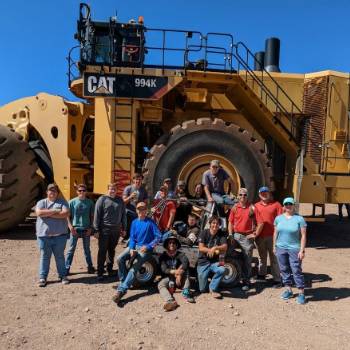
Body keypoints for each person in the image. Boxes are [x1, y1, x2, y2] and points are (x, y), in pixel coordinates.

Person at [113, 202, 161, 304]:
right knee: (119, 258)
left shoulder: (151, 222)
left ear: (146, 211)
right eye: (139, 209)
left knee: (134, 267)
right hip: (135, 247)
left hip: (145, 249)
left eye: (143, 209)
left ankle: (121, 291)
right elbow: (132, 238)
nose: (140, 211)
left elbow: (158, 237)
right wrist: (131, 248)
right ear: (136, 210)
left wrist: (148, 246)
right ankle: (123, 281)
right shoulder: (134, 222)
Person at [35, 183, 70, 287]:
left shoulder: (63, 202)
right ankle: (42, 278)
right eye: (50, 190)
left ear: (57, 193)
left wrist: (47, 214)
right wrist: (55, 211)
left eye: (54, 191)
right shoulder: (41, 202)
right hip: (43, 236)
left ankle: (63, 276)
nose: (52, 192)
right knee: (45, 257)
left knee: (60, 257)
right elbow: (39, 213)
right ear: (47, 192)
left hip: (60, 236)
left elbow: (65, 214)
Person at [274, 197, 307, 305]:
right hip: (280, 247)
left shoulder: (299, 219)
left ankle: (301, 293)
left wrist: (301, 250)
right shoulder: (278, 218)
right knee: (284, 269)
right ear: (283, 206)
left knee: (296, 270)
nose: (288, 205)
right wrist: (274, 246)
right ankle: (289, 290)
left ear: (293, 205)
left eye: (290, 204)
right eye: (286, 204)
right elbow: (276, 233)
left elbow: (303, 236)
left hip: (294, 248)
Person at [228, 187, 261, 291]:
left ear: (247, 196)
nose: (242, 196)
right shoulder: (235, 207)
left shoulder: (252, 208)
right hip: (236, 235)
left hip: (247, 236)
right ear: (238, 196)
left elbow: (260, 222)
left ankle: (246, 281)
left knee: (247, 259)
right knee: (226, 251)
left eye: (245, 195)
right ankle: (230, 274)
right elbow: (230, 222)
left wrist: (255, 234)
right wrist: (230, 234)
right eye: (241, 194)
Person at [93, 183, 127, 281]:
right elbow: (97, 215)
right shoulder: (102, 199)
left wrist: (124, 229)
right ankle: (100, 272)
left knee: (111, 250)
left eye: (114, 189)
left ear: (117, 190)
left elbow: (123, 215)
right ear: (107, 190)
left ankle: (109, 269)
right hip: (104, 230)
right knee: (102, 251)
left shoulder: (120, 200)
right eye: (111, 189)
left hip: (115, 230)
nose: (112, 191)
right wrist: (96, 230)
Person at [254, 186, 283, 287]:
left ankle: (277, 279)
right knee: (262, 257)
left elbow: (281, 220)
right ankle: (262, 274)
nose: (264, 194)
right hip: (260, 236)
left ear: (269, 194)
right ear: (259, 195)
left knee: (274, 257)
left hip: (272, 236)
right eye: (262, 193)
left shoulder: (276, 205)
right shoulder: (256, 206)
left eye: (266, 192)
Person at [158, 234, 195, 311]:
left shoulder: (180, 254)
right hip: (169, 278)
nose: (172, 244)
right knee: (160, 284)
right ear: (167, 245)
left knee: (187, 272)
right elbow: (164, 269)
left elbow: (186, 263)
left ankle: (186, 292)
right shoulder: (163, 256)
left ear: (177, 245)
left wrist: (179, 274)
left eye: (174, 243)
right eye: (170, 243)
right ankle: (170, 301)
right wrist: (176, 272)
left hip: (179, 279)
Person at [65, 183, 95, 274]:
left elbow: (92, 217)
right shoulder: (71, 202)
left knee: (87, 250)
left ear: (86, 192)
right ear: (77, 191)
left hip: (86, 229)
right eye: (80, 190)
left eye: (83, 190)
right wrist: (70, 227)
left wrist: (90, 228)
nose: (81, 192)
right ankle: (66, 268)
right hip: (75, 229)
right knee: (71, 250)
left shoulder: (90, 202)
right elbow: (67, 216)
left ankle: (90, 267)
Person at [197, 216, 227, 298]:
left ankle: (212, 288)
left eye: (217, 223)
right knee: (202, 289)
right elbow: (201, 248)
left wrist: (215, 248)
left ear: (219, 225)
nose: (215, 225)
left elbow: (225, 247)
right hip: (203, 262)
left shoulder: (222, 234)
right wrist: (210, 250)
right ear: (210, 224)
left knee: (222, 269)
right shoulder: (204, 233)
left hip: (215, 262)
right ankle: (204, 280)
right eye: (213, 223)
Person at [122, 173, 148, 239]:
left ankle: (134, 241)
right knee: (128, 229)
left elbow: (145, 202)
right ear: (133, 180)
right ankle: (127, 240)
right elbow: (123, 202)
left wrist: (144, 208)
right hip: (128, 213)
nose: (138, 181)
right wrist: (130, 196)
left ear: (142, 180)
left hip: (138, 213)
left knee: (136, 230)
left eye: (140, 179)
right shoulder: (128, 188)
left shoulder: (143, 190)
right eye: (136, 179)